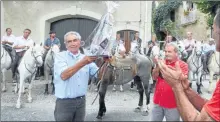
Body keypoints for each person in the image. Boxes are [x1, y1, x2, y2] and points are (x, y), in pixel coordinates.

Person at [157, 8, 220, 121]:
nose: (213, 36)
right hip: (187, 52)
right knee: (187, 56)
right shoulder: (185, 41)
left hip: (193, 50)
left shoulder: (194, 41)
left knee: (204, 57)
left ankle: (204, 68)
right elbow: (211, 108)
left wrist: (176, 86)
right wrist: (187, 90)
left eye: (213, 29)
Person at [53, 31, 99, 121]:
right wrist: (84, 62)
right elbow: (64, 75)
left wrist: (106, 62)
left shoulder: (85, 57)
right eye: (69, 41)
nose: (72, 43)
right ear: (65, 44)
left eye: (75, 40)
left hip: (81, 103)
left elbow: (99, 74)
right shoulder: (60, 56)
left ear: (80, 42)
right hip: (64, 104)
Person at [151, 42, 188, 121]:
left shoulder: (183, 65)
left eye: (169, 52)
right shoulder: (162, 62)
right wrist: (158, 66)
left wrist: (165, 67)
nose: (166, 54)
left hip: (173, 104)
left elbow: (180, 78)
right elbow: (154, 77)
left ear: (176, 53)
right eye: (165, 51)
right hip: (157, 101)